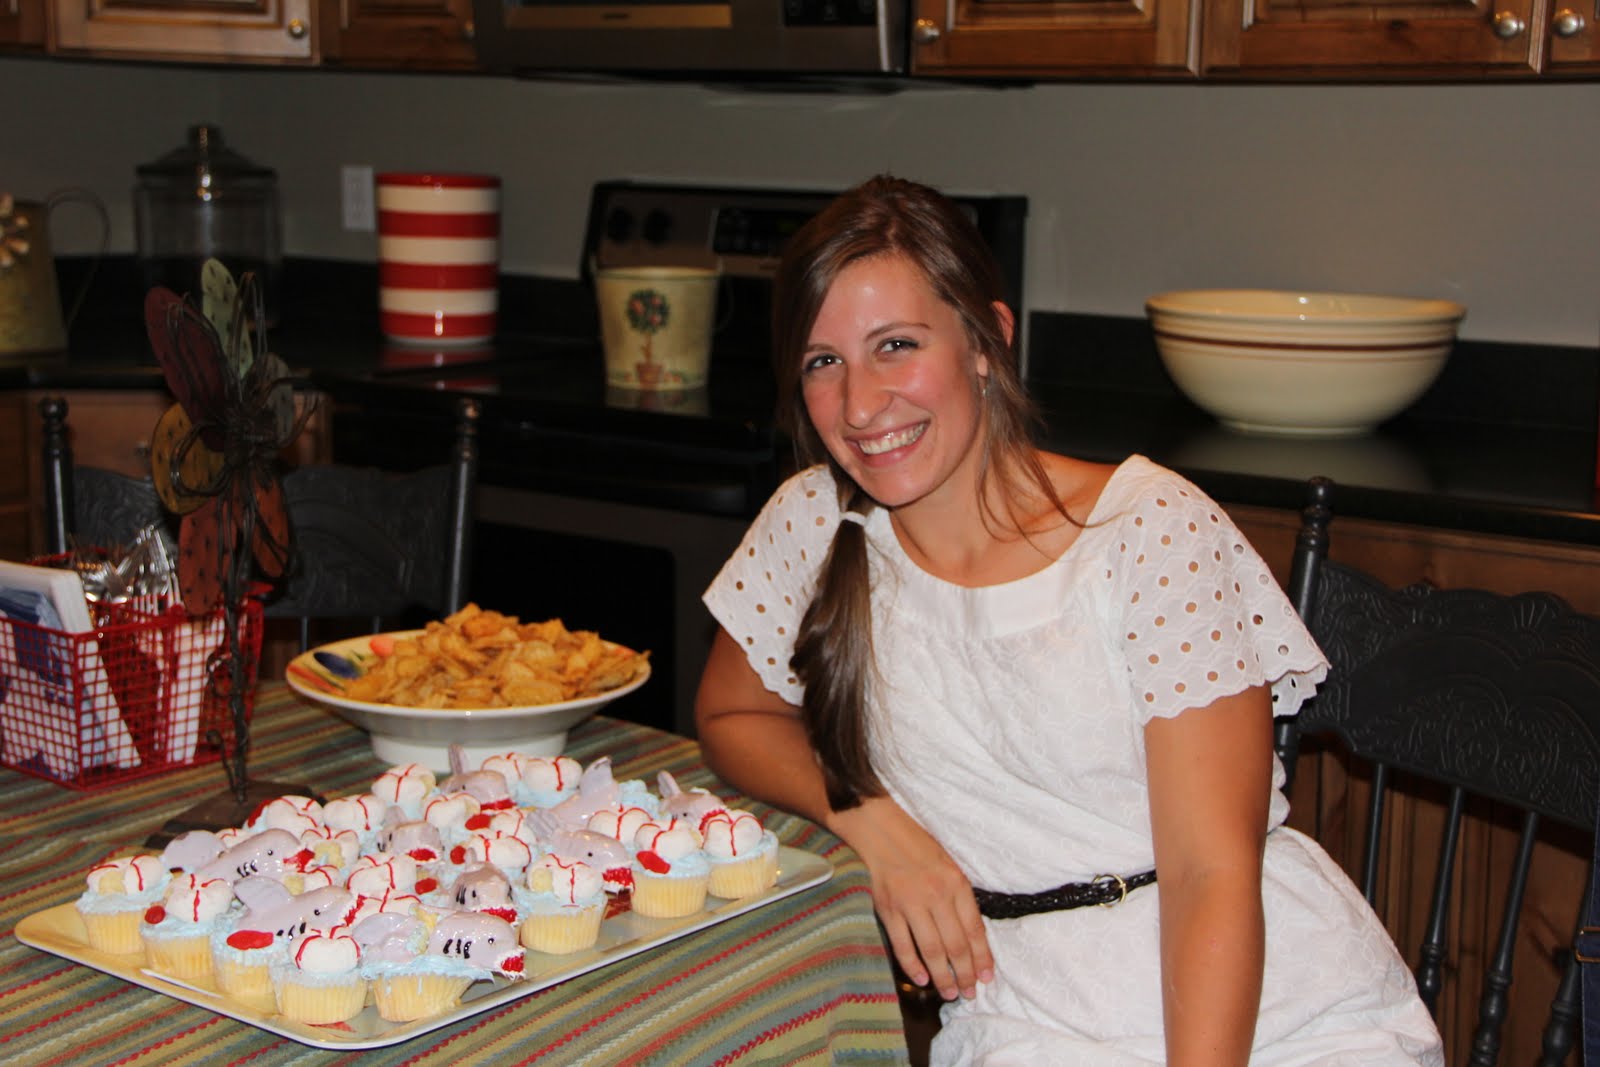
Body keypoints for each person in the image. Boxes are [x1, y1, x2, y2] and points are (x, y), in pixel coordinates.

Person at [694, 174, 1444, 1065]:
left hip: (1266, 1017)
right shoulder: (814, 522)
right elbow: (732, 712)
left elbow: (1210, 875)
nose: (860, 406)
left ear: (988, 341)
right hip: (1023, 1014)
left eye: (896, 345)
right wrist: (873, 820)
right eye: (824, 361)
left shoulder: (1149, 531)